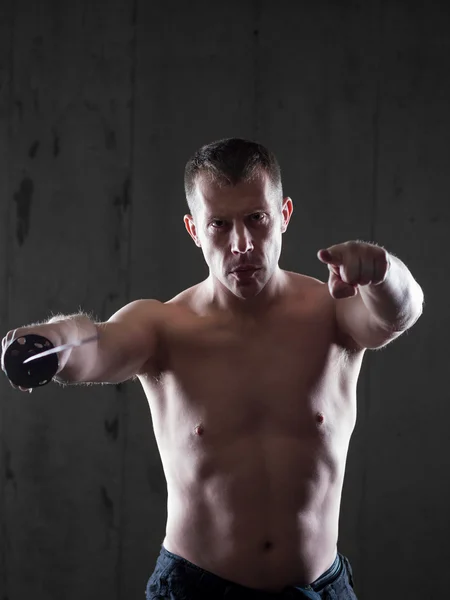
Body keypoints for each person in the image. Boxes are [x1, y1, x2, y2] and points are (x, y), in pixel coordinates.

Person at [1, 138, 424, 599]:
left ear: (283, 215)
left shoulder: (334, 313)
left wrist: (382, 273)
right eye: (219, 224)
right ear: (194, 230)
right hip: (195, 589)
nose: (241, 244)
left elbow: (400, 313)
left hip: (319, 589)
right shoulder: (163, 326)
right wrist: (49, 343)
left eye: (256, 219)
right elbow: (94, 345)